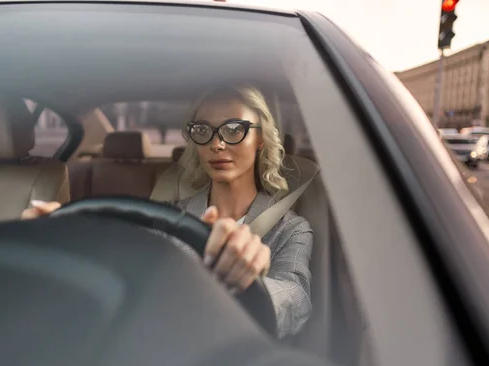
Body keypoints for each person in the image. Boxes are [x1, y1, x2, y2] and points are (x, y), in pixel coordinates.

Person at [22, 86, 313, 338]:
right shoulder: (166, 215)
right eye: (202, 130)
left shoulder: (291, 229)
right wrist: (69, 237)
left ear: (260, 138)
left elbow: (296, 300)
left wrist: (250, 281)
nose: (217, 143)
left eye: (234, 129)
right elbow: (126, 252)